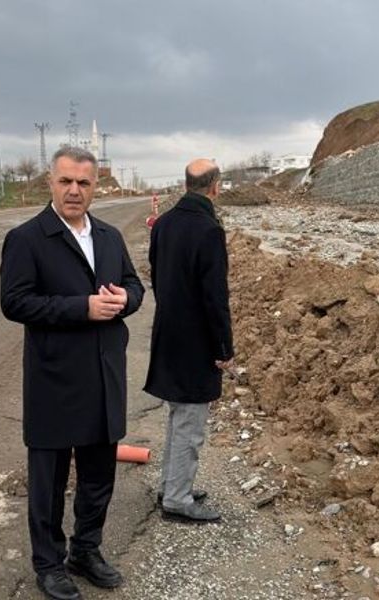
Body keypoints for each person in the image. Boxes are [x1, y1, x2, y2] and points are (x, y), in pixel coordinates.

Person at [0, 146, 144, 600]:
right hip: (55, 380)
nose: (74, 190)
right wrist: (82, 308)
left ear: (96, 186)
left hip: (104, 374)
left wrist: (126, 300)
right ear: (51, 182)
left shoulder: (108, 236)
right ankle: (48, 564)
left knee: (99, 475)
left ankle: (86, 550)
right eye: (66, 181)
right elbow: (14, 302)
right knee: (49, 481)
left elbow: (135, 284)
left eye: (83, 182)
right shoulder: (27, 238)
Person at [144, 159, 234, 523]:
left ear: (186, 185)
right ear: (214, 187)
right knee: (190, 423)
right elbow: (216, 297)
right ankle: (178, 499)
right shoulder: (209, 230)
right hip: (195, 342)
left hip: (168, 333)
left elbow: (155, 275)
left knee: (178, 416)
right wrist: (223, 348)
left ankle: (171, 485)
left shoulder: (164, 224)